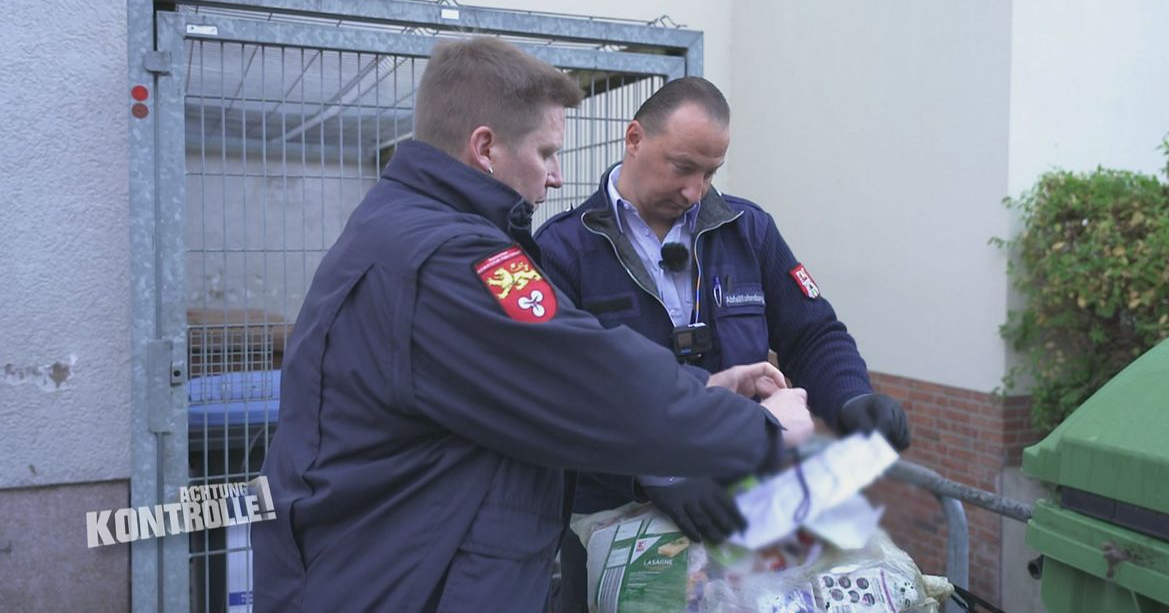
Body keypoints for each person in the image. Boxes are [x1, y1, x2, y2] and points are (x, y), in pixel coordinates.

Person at [251, 39, 816, 612]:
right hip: (400, 583)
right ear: (485, 147)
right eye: (546, 152)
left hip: (392, 568)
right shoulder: (449, 261)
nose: (555, 177)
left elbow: (558, 373)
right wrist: (758, 428)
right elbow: (584, 377)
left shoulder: (404, 229)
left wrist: (708, 388)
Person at [535, 76, 911, 612]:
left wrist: (852, 398)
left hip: (743, 503)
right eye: (683, 166)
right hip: (614, 516)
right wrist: (655, 470)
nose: (696, 190)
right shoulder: (565, 248)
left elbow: (813, 332)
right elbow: (563, 393)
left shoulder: (747, 230)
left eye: (711, 172)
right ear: (634, 138)